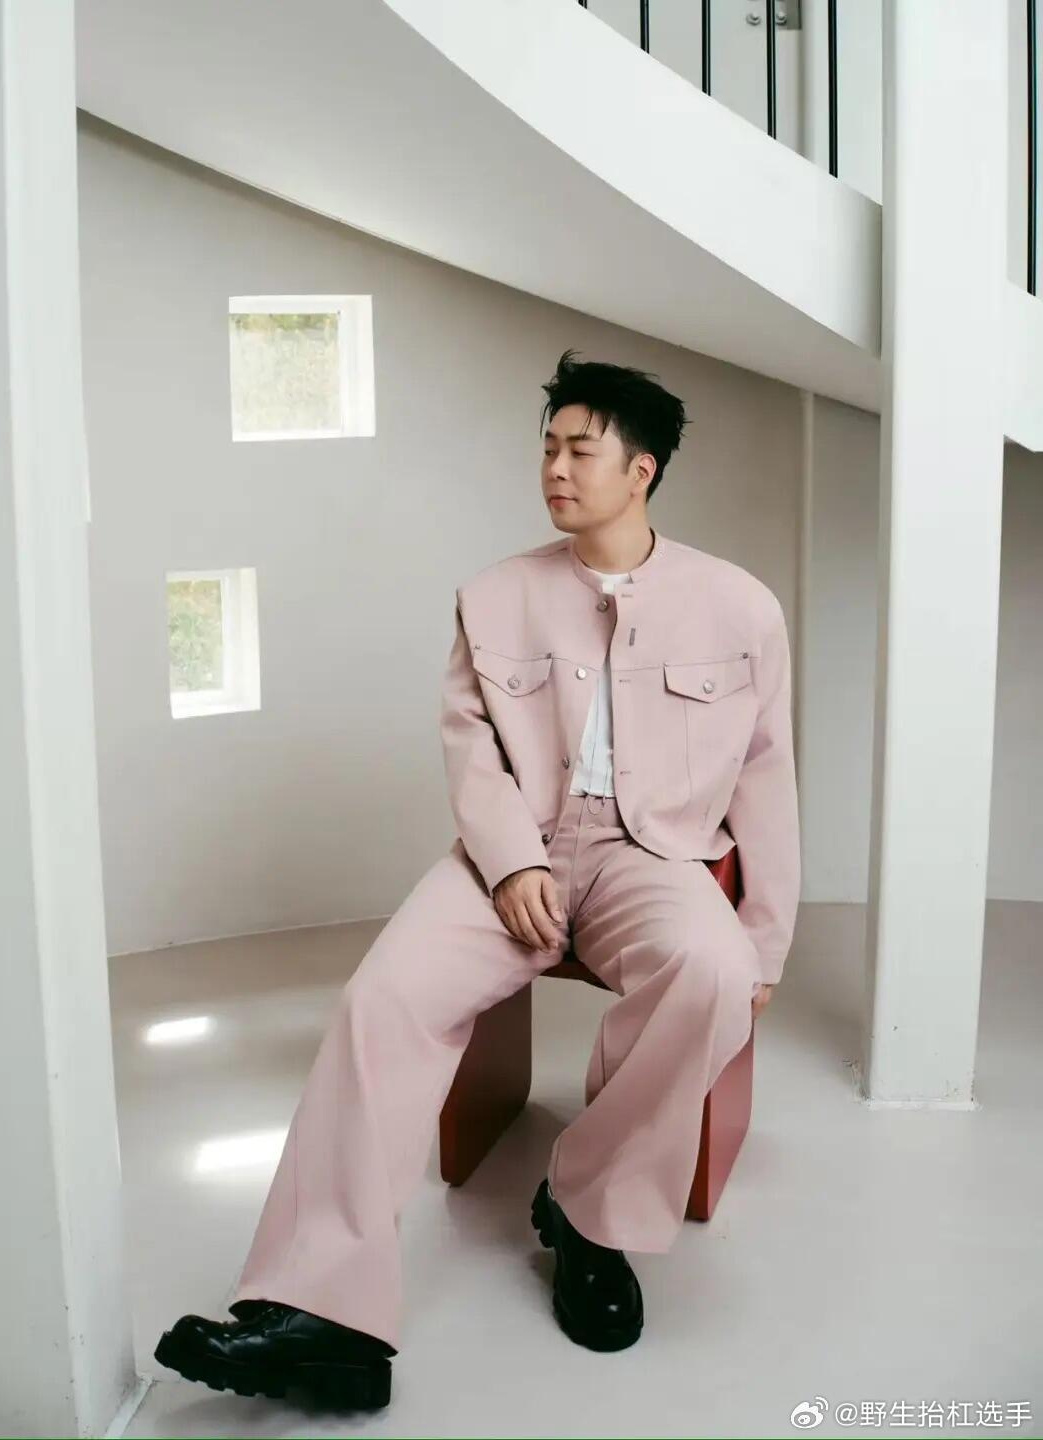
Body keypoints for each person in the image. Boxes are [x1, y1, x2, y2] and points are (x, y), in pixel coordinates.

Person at [154, 349, 801, 1410]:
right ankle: (322, 1314)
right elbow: (472, 751)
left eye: (580, 450)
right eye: (548, 448)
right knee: (381, 998)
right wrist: (511, 863)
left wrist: (766, 934)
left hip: (655, 857)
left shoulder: (740, 607)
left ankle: (589, 1214)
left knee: (715, 970)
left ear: (641, 470)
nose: (556, 468)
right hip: (514, 854)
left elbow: (768, 772)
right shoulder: (494, 596)